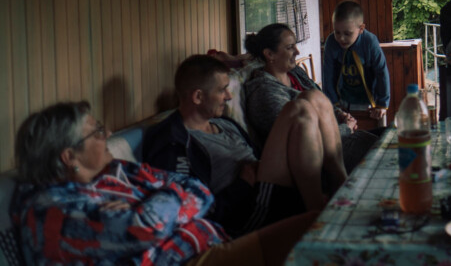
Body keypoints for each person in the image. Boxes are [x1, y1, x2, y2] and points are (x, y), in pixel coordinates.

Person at [12, 101, 318, 265]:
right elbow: (148, 227)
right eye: (97, 132)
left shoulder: (118, 170)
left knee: (321, 227)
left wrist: (149, 208)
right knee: (317, 232)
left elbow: (197, 190)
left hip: (212, 243)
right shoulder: (49, 212)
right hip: (193, 259)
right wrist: (152, 210)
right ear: (69, 156)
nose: (107, 136)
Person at [144, 55, 344, 236]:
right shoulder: (172, 141)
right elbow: (186, 208)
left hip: (265, 184)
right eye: (222, 90)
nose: (229, 97)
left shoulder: (224, 123)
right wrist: (242, 186)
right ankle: (317, 217)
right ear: (198, 97)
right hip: (245, 207)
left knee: (313, 97)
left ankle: (341, 183)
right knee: (298, 109)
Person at [244, 23, 379, 171]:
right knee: (388, 153)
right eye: (289, 48)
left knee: (389, 137)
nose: (297, 51)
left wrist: (340, 115)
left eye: (295, 45)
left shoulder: (295, 72)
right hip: (318, 160)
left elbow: (322, 100)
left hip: (337, 139)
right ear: (269, 54)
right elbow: (300, 141)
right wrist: (345, 128)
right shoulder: (265, 92)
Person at [322, 0, 390, 121]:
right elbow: (328, 74)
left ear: (361, 28)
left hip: (369, 102)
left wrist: (382, 104)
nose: (341, 38)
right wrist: (333, 104)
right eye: (337, 32)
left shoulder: (370, 42)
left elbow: (381, 72)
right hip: (342, 102)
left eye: (347, 33)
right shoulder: (332, 42)